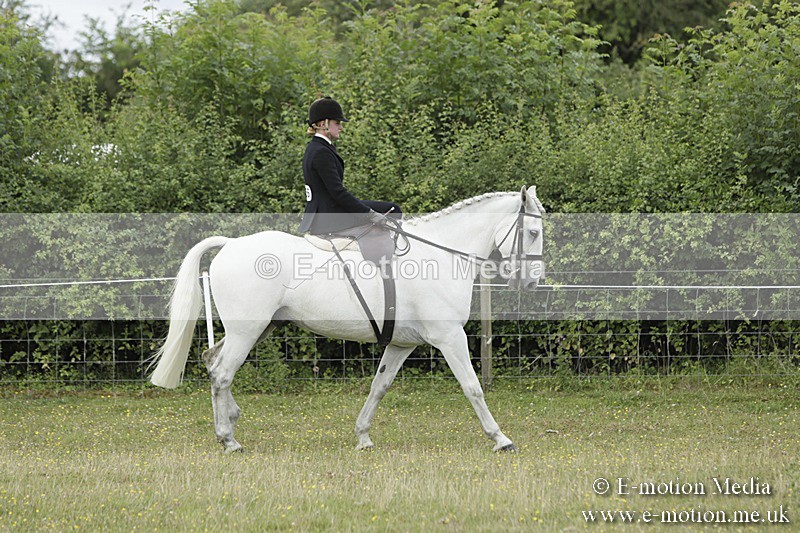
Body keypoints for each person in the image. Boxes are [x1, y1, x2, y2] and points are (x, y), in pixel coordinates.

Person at [298, 96, 402, 267]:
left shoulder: (315, 147)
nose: (341, 127)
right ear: (324, 123)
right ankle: (384, 265)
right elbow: (338, 193)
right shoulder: (321, 152)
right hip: (329, 216)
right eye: (337, 122)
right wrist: (368, 214)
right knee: (393, 210)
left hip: (322, 212)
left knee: (389, 208)